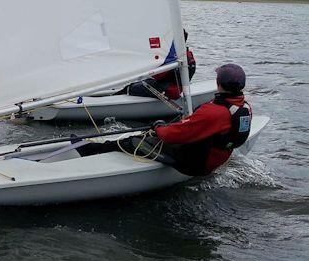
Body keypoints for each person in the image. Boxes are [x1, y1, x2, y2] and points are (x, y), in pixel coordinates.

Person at [76, 63, 252, 177]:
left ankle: (87, 150)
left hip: (193, 165)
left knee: (133, 142)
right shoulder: (245, 108)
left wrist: (159, 127)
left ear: (219, 83)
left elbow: (171, 136)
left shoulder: (214, 112)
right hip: (214, 159)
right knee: (155, 134)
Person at [116, 30, 196, 100]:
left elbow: (157, 76)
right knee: (142, 83)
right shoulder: (187, 55)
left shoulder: (173, 58)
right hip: (175, 88)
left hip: (168, 91)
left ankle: (116, 96)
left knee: (132, 87)